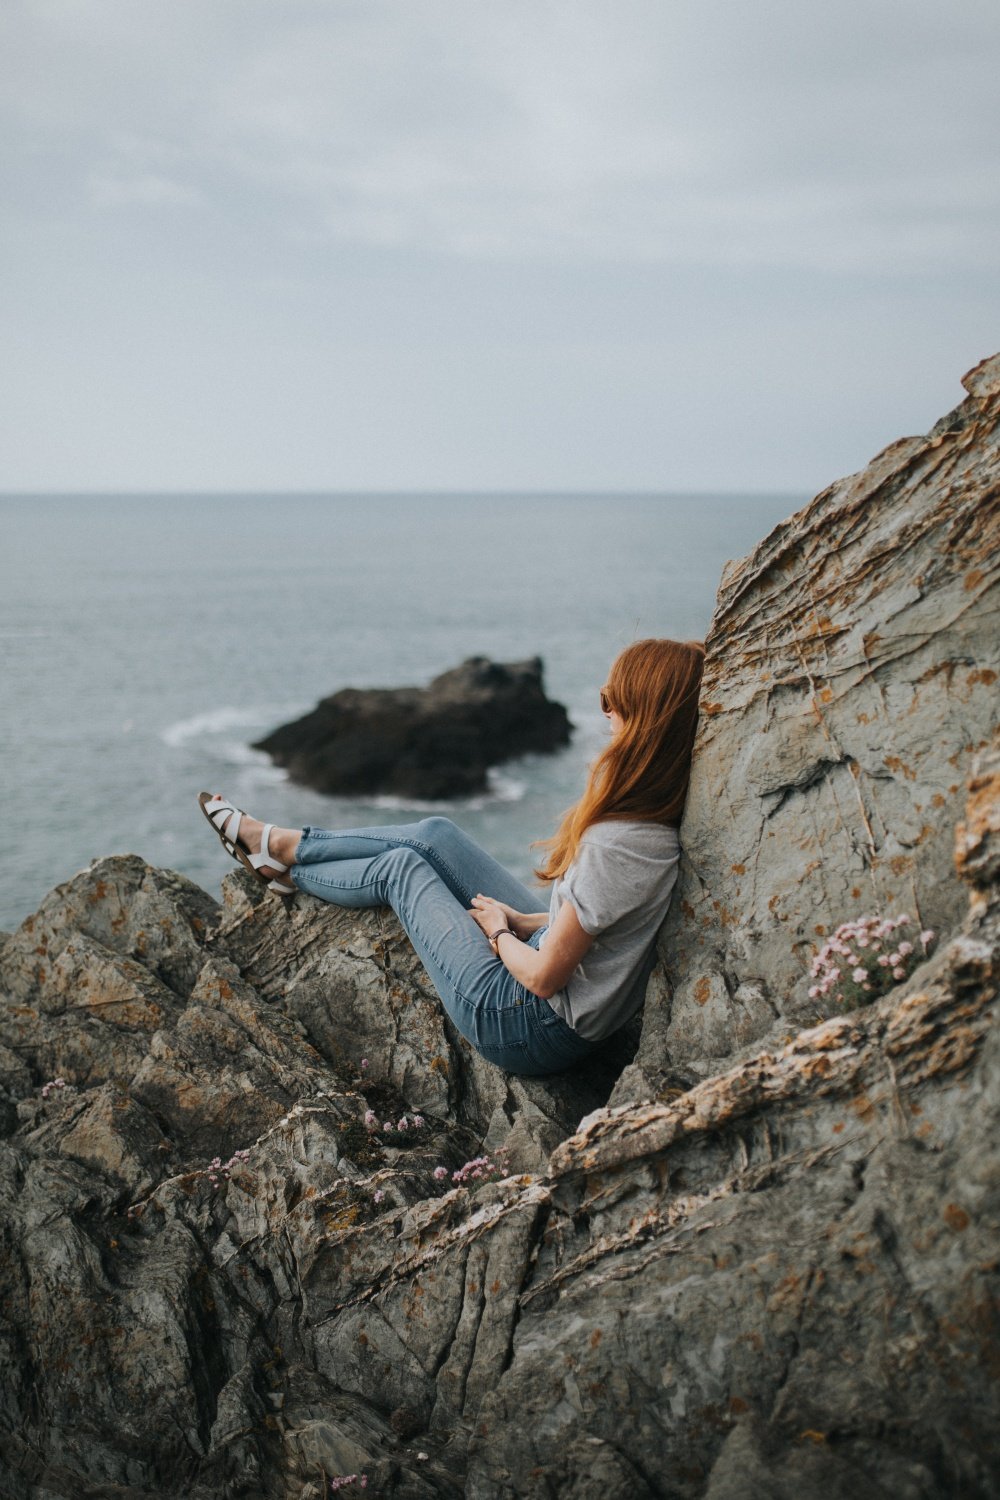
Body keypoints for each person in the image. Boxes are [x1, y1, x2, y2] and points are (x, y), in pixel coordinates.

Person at [198, 638, 704, 1077]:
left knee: (402, 869)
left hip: (524, 1021)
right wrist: (523, 921)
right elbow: (593, 929)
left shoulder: (617, 844)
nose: (603, 709)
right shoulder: (653, 818)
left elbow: (546, 978)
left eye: (611, 698)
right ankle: (283, 844)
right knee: (435, 834)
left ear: (643, 719)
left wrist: (498, 933)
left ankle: (284, 866)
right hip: (553, 983)